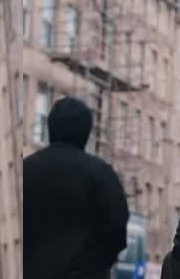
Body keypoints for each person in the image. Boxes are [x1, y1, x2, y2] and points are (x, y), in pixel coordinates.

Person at [22, 96, 130, 279]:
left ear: (51, 128)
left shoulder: (25, 170)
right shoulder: (102, 174)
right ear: (87, 133)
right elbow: (117, 229)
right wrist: (99, 263)